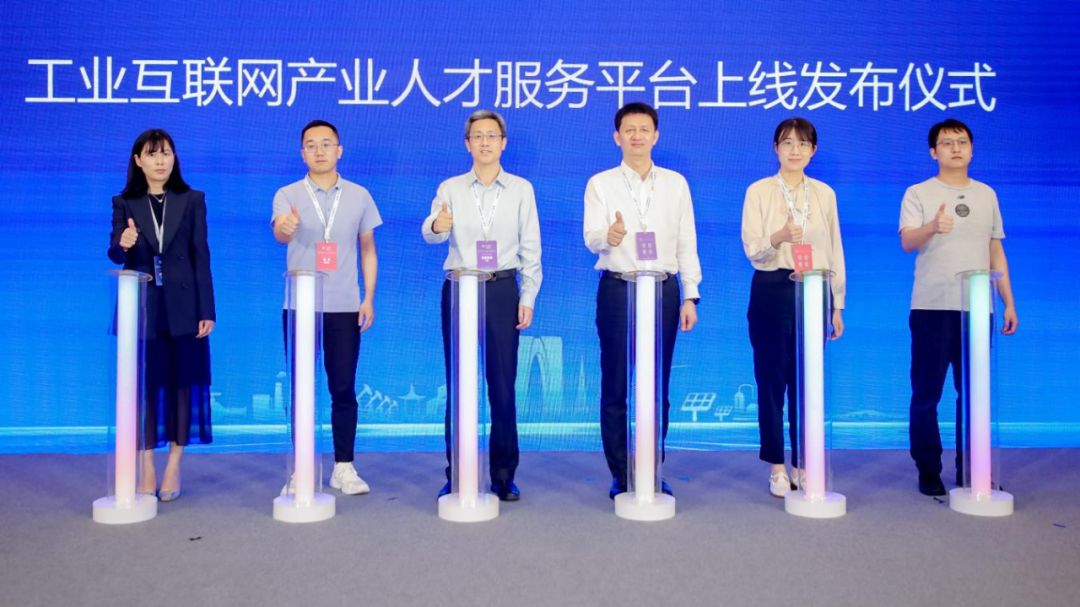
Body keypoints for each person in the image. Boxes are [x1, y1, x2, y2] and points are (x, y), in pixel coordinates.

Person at [422, 109, 542, 501]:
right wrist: (437, 226)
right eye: (478, 136)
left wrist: (528, 296)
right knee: (459, 384)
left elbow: (531, 247)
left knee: (502, 385)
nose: (485, 142)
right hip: (459, 288)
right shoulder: (451, 187)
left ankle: (504, 475)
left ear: (503, 143)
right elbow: (431, 232)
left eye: (492, 136)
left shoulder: (521, 189)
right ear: (467, 144)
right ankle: (457, 473)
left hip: (502, 288)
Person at [583, 102, 701, 500]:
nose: (637, 135)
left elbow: (687, 242)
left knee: (657, 384)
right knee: (615, 382)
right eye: (629, 129)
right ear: (617, 137)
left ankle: (651, 467)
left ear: (656, 136)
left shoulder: (676, 184)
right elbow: (591, 237)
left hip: (664, 290)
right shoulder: (600, 183)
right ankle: (620, 471)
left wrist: (690, 295)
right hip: (618, 288)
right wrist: (609, 236)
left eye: (644, 129)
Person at [899, 118, 1018, 496]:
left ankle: (972, 467)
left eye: (962, 142)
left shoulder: (986, 194)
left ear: (971, 149)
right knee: (927, 393)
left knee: (974, 394)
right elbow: (907, 242)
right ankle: (928, 469)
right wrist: (932, 226)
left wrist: (1008, 301)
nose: (956, 148)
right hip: (933, 306)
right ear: (933, 152)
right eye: (947, 142)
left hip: (978, 307)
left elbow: (995, 249)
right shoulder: (918, 192)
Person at [272, 120, 382, 496]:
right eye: (311, 145)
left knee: (343, 387)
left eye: (326, 144)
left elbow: (368, 249)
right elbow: (280, 233)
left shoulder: (359, 195)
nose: (319, 151)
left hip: (345, 306)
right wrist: (287, 227)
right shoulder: (287, 194)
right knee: (301, 389)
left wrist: (368, 297)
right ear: (302, 153)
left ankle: (343, 467)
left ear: (339, 150)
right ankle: (301, 468)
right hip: (300, 307)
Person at [108, 128, 216, 502]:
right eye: (152, 154)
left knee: (183, 384)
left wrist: (207, 309)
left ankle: (173, 465)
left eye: (166, 153)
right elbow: (115, 252)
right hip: (142, 309)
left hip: (185, 308)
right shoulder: (125, 202)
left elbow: (201, 255)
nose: (160, 160)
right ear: (138, 160)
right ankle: (146, 464)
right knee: (144, 388)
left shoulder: (192, 199)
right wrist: (123, 243)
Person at [740, 117, 846, 498]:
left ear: (813, 151)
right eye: (787, 143)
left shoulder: (825, 194)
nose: (795, 151)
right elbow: (752, 248)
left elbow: (834, 249)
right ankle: (776, 466)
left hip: (814, 288)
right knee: (771, 379)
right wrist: (779, 237)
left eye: (803, 144)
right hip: (772, 287)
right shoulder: (759, 191)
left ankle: (803, 462)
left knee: (807, 380)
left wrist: (837, 303)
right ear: (776, 148)